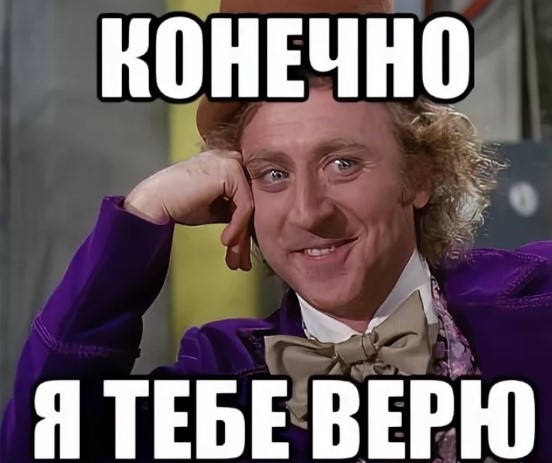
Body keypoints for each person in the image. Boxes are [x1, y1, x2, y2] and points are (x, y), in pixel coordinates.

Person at [2, 1, 552, 462]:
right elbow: (41, 441)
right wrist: (142, 215)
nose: (308, 212)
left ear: (420, 173)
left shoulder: (540, 304)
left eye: (343, 164)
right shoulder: (214, 381)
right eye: (273, 174)